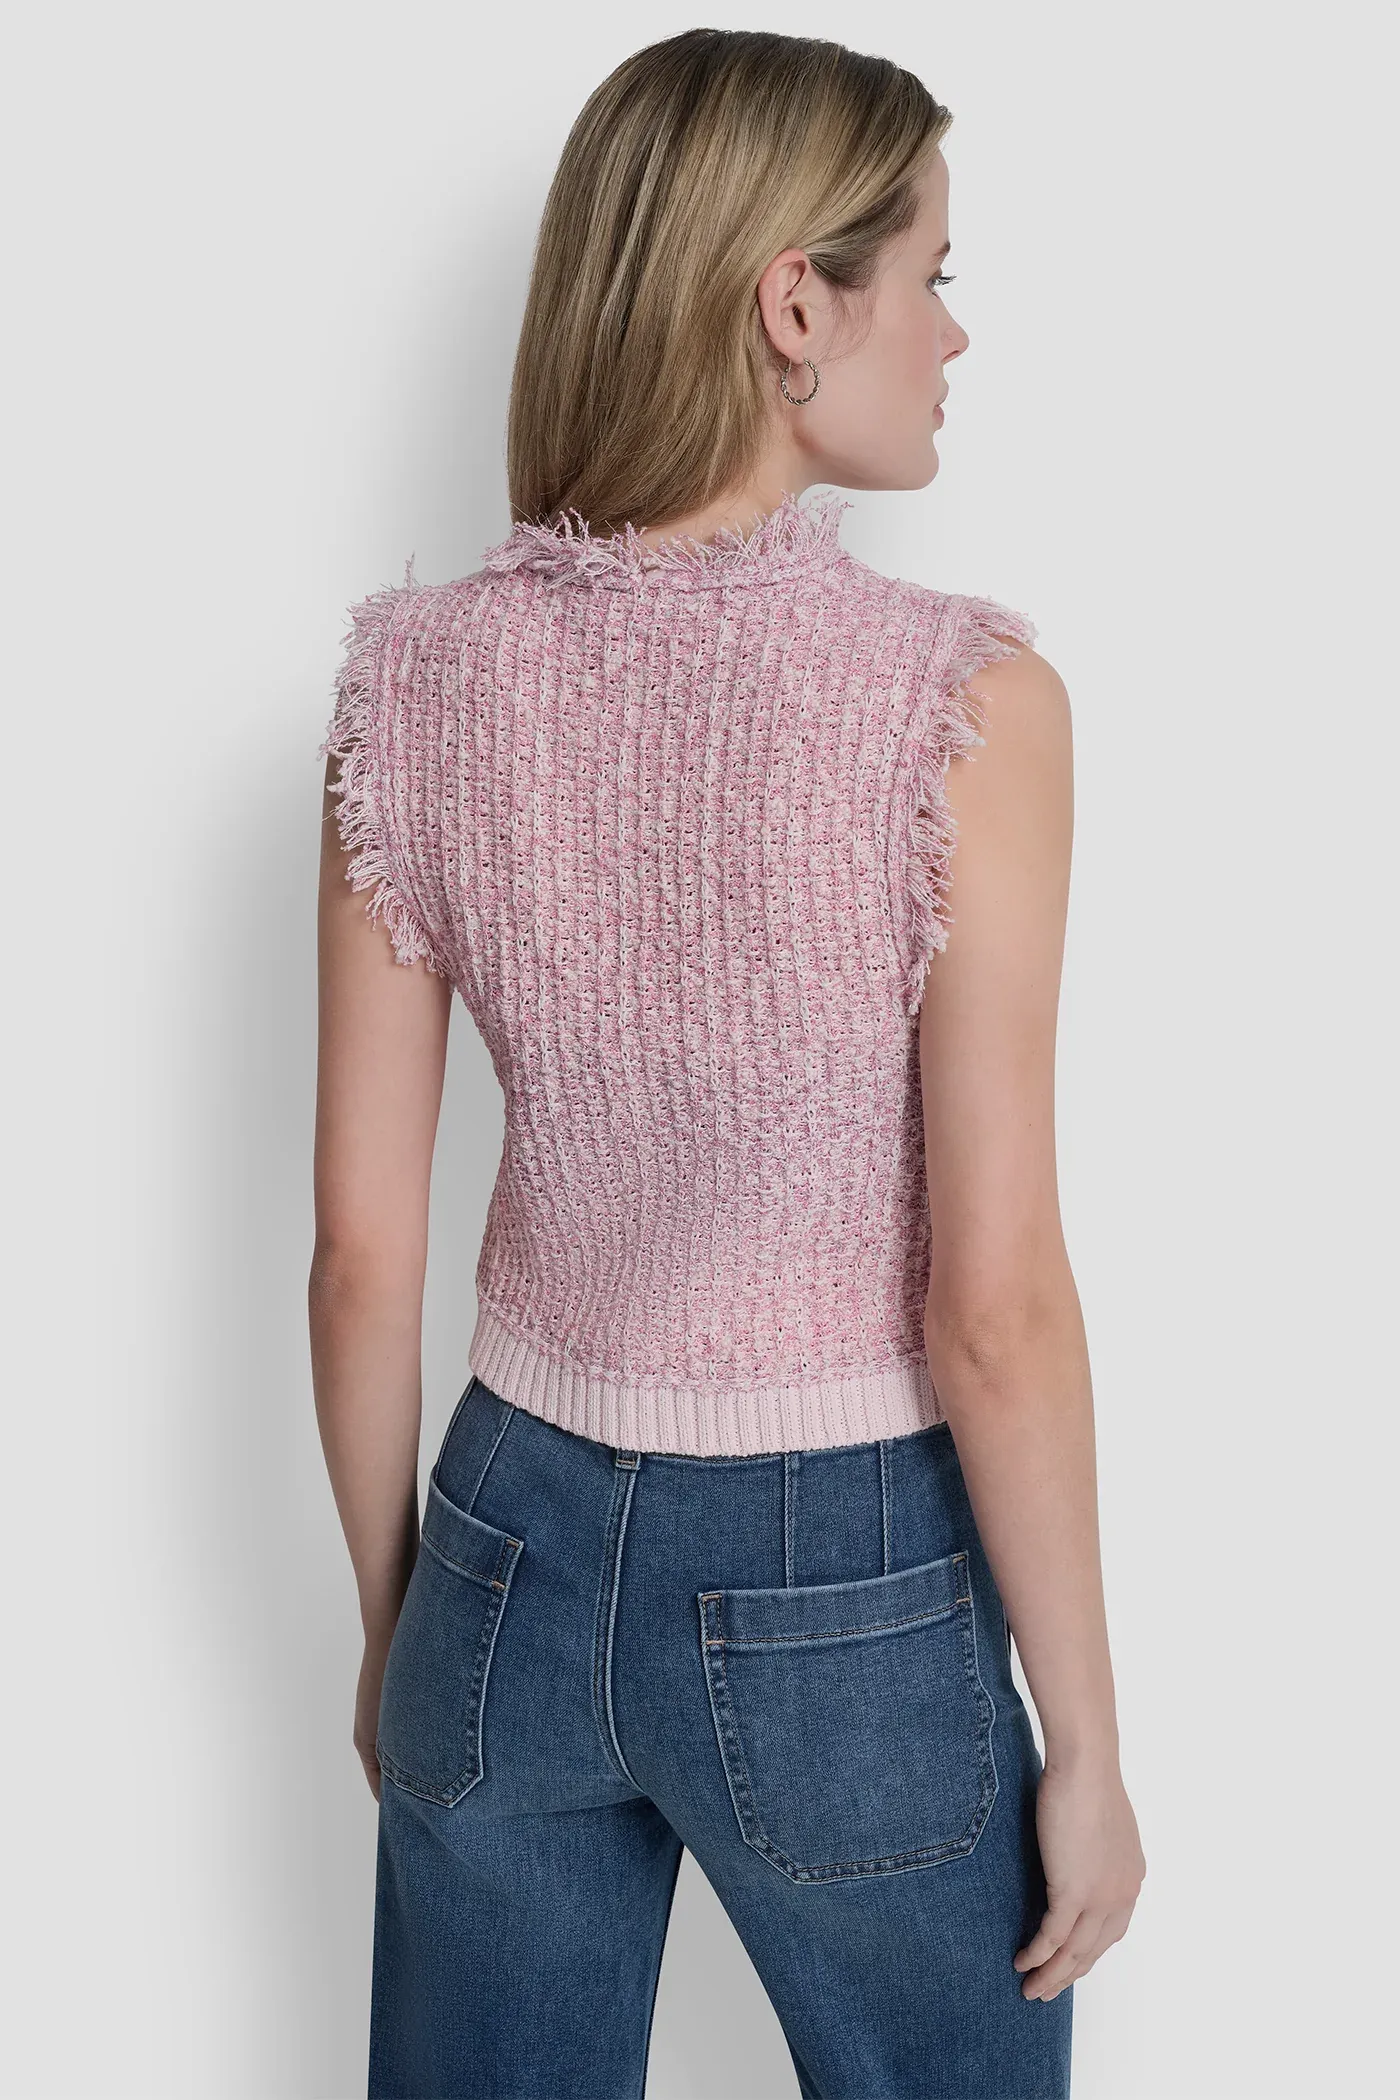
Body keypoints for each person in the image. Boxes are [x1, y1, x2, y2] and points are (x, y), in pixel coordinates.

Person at [309, 27, 1145, 2100]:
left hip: (498, 1541)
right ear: (794, 304)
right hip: (842, 1570)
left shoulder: (411, 685)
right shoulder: (959, 705)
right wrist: (1089, 1741)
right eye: (930, 273)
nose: (952, 334)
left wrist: (402, 1623)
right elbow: (994, 1308)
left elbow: (357, 1257)